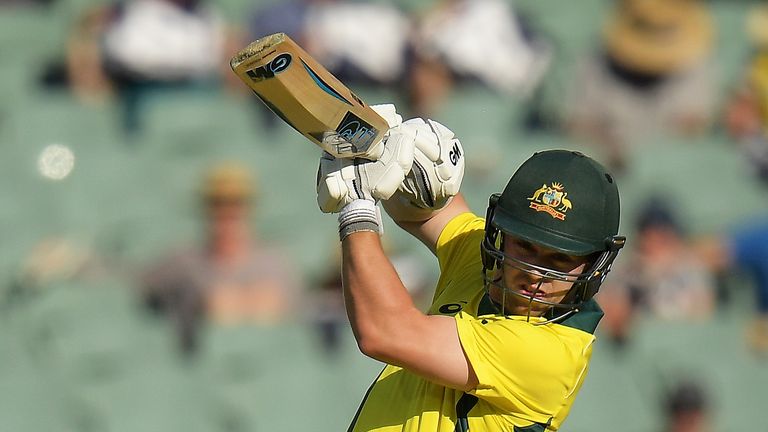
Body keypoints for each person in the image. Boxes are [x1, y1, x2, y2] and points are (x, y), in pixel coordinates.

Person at [313, 105, 625, 430]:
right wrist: (397, 153)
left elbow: (383, 332)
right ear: (500, 234)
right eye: (526, 247)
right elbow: (427, 211)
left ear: (593, 265)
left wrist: (357, 205)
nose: (535, 272)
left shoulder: (551, 355)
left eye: (560, 259)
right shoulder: (487, 263)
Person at [140, 162, 300, 355]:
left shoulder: (274, 264)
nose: (226, 214)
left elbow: (297, 319)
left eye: (235, 204)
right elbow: (143, 294)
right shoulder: (182, 261)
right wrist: (199, 304)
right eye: (218, 204)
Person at [564, 0, 717, 173]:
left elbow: (693, 127)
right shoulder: (597, 59)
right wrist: (609, 148)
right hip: (605, 163)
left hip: (666, 169)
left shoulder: (694, 63)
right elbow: (578, 123)